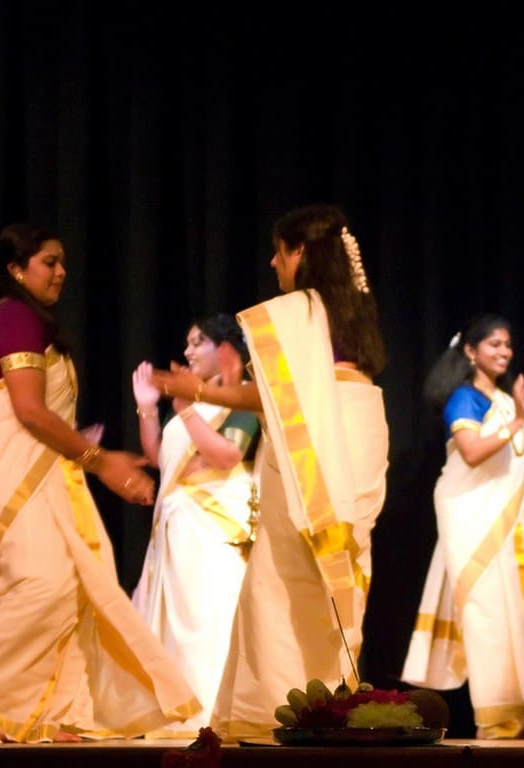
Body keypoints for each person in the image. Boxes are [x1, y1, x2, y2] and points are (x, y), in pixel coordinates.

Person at [0, 222, 198, 742]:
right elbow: (26, 409)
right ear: (17, 269)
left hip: (26, 466)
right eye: (49, 261)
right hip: (6, 468)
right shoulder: (16, 317)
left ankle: (50, 710)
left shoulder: (25, 319)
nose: (61, 271)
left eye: (63, 261)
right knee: (40, 581)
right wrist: (99, 459)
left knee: (68, 586)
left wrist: (79, 446)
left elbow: (33, 411)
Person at [153, 203, 390, 740]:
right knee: (342, 566)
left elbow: (270, 397)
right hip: (360, 429)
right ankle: (332, 699)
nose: (272, 262)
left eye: (280, 251)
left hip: (314, 432)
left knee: (286, 575)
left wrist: (195, 390)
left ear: (299, 252)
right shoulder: (355, 306)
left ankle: (283, 713)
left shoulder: (298, 312)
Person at [400, 316, 524, 738]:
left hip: (504, 519)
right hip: (467, 515)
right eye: (495, 344)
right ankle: (497, 714)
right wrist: (518, 420)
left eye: (508, 345)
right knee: (485, 612)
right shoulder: (464, 399)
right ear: (470, 351)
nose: (504, 352)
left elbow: (513, 473)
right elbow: (473, 453)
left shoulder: (501, 399)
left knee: (514, 607)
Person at [130, 313, 260, 738]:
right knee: (172, 624)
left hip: (212, 533)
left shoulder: (242, 402)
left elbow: (225, 456)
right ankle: (173, 718)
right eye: (186, 342)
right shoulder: (195, 409)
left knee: (206, 621)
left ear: (225, 351)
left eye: (197, 342)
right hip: (176, 531)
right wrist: (148, 408)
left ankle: (209, 721)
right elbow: (159, 456)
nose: (187, 352)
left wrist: (185, 413)